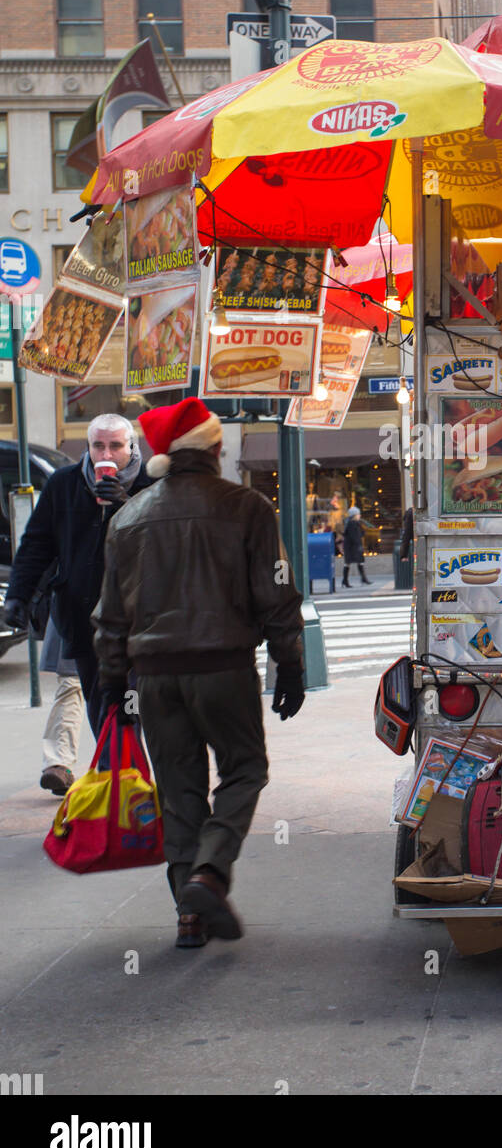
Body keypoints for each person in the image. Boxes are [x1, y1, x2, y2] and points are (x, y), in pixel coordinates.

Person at [91, 397, 305, 949]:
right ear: (214, 448)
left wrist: (114, 683)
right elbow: (276, 590)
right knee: (245, 770)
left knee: (179, 791)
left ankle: (189, 913)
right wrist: (290, 664)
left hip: (154, 677)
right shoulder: (247, 507)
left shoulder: (128, 519)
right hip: (224, 667)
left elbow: (110, 614)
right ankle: (210, 872)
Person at [3, 414, 151, 740]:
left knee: (131, 710)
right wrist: (18, 595)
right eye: (98, 446)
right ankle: (119, 781)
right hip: (84, 620)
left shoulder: (151, 484)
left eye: (115, 446)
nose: (106, 455)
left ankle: (127, 781)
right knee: (101, 712)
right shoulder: (65, 483)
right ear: (88, 447)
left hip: (138, 623)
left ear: (132, 447)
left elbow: (161, 546)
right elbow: (37, 544)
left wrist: (123, 505)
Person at [38, 618, 85, 796]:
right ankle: (129, 758)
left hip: (72, 611)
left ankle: (58, 762)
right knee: (127, 691)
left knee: (71, 686)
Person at [341, 505, 371, 587]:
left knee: (357, 562)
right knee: (351, 563)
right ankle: (346, 580)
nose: (359, 515)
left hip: (353, 547)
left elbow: (361, 533)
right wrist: (359, 546)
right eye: (358, 514)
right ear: (354, 515)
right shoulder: (352, 524)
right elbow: (355, 536)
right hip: (353, 547)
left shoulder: (353, 523)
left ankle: (349, 580)